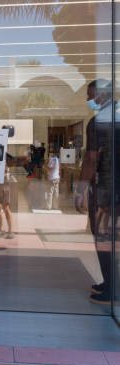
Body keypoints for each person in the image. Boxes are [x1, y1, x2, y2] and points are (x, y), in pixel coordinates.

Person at [75, 79, 116, 305]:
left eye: (90, 95)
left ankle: (112, 288)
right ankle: (110, 282)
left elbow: (91, 159)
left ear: (101, 95)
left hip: (105, 189)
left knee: (103, 237)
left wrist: (81, 190)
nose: (88, 100)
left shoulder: (98, 121)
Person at [0, 164, 14, 239]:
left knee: (6, 208)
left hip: (4, 189)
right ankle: (0, 229)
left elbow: (7, 175)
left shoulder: (5, 165)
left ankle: (10, 230)